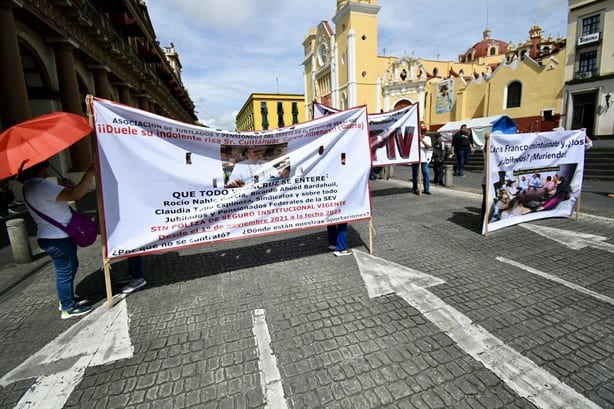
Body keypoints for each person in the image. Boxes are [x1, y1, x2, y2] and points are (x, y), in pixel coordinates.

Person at [19, 161, 97, 319]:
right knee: (65, 271)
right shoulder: (41, 186)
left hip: (51, 235)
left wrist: (66, 187)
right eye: (44, 166)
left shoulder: (29, 186)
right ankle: (67, 307)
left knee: (68, 267)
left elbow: (66, 195)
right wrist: (89, 173)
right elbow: (76, 195)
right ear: (39, 170)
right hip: (57, 237)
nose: (47, 170)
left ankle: (66, 299)